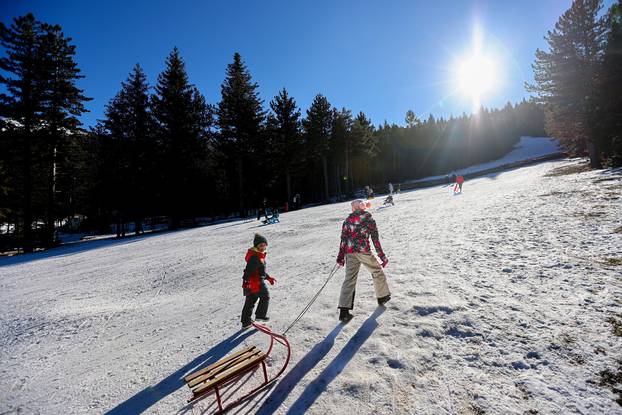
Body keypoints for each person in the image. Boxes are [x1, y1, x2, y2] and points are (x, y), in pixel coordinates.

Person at [336, 200, 391, 323]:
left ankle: (344, 312)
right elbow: (375, 239)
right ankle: (382, 297)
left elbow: (343, 240)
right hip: (363, 251)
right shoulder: (368, 219)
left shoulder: (347, 221)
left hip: (350, 253)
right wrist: (382, 256)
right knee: (376, 271)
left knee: (349, 279)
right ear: (363, 207)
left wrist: (340, 257)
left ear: (353, 208)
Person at [241, 234, 276, 329]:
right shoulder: (255, 257)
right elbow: (248, 270)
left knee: (250, 301)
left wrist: (268, 278)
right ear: (256, 246)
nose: (263, 247)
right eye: (260, 245)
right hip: (256, 282)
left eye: (264, 245)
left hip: (251, 283)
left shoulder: (257, 255)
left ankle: (246, 322)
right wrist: (246, 281)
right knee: (265, 296)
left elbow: (260, 270)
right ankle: (260, 316)